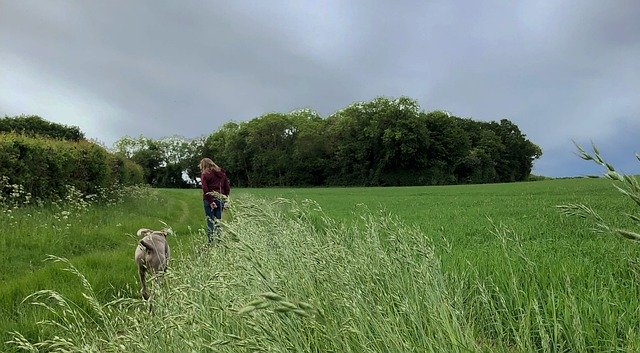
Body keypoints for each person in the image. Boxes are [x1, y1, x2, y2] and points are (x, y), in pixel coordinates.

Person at [199, 158, 230, 244]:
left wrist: (211, 201)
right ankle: (219, 241)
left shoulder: (205, 174)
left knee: (210, 221)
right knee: (218, 221)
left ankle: (211, 242)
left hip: (209, 200)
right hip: (220, 199)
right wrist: (226, 199)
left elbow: (205, 188)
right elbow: (227, 188)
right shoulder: (222, 173)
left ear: (203, 165)